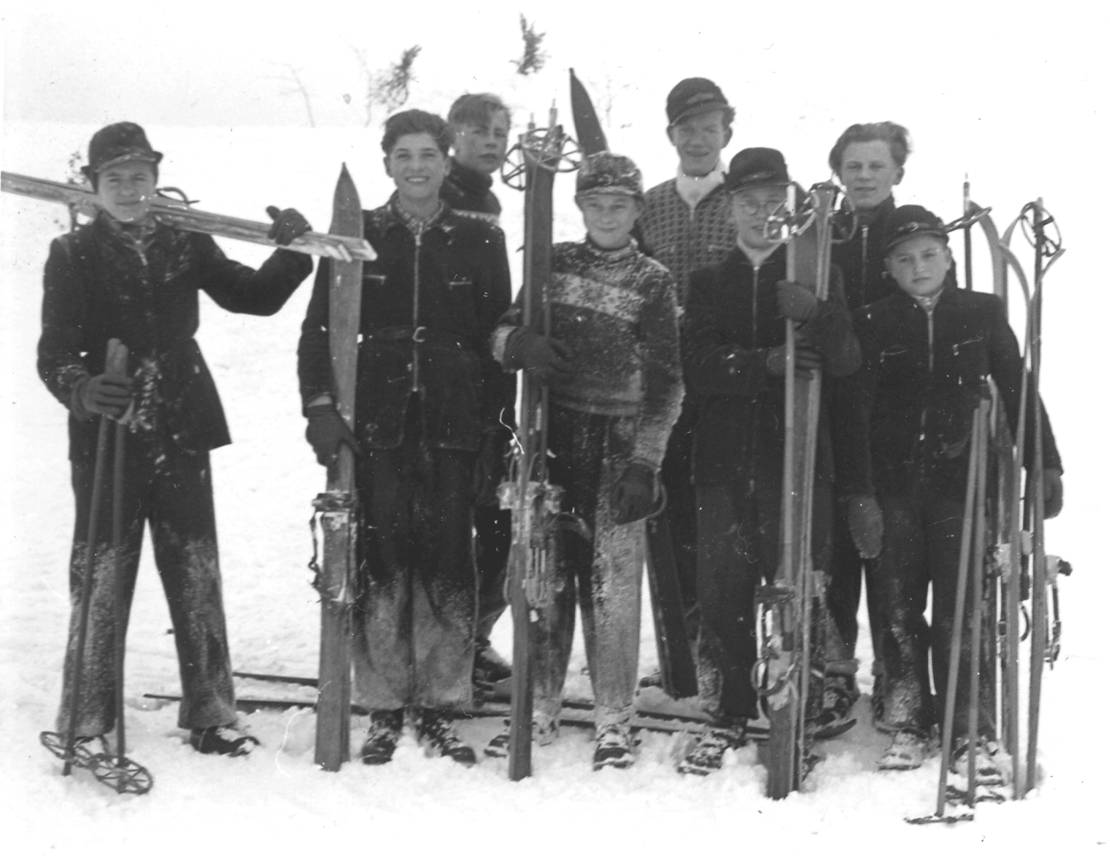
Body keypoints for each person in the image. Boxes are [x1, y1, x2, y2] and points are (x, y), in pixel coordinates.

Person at [38, 121, 314, 758]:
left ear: (157, 179)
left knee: (194, 570)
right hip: (109, 428)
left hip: (182, 422)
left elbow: (252, 297)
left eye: (139, 176)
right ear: (93, 185)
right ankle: (84, 721)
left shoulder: (184, 239)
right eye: (114, 178)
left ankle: (212, 715)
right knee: (102, 574)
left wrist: (292, 250)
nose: (128, 189)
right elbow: (54, 353)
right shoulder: (72, 253)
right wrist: (82, 388)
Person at [297, 109, 511, 767]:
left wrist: (497, 430)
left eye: (428, 155)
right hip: (378, 418)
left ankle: (443, 699)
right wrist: (321, 408)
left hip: (454, 416)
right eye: (403, 156)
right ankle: (385, 701)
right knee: (383, 553)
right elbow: (318, 330)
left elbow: (496, 341)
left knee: (448, 555)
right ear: (387, 163)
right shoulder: (360, 235)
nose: (416, 167)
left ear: (447, 162)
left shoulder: (479, 237)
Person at [835, 205, 1064, 774]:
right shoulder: (872, 320)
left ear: (948, 257)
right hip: (893, 485)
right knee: (897, 604)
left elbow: (1016, 386)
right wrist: (858, 491)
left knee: (964, 605)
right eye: (905, 259)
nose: (919, 267)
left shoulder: (980, 313)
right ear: (888, 268)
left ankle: (969, 727)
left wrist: (1045, 464)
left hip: (962, 484)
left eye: (929, 255)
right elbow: (853, 414)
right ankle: (908, 718)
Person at [484, 152, 683, 770]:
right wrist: (519, 343)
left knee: (612, 584)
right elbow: (500, 334)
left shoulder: (652, 281)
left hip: (618, 442)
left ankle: (614, 718)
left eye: (618, 205)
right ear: (579, 207)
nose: (607, 215)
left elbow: (667, 382)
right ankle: (538, 705)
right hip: (554, 436)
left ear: (637, 210)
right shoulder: (554, 264)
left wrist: (645, 463)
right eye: (595, 204)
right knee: (546, 575)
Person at [679, 148, 861, 775]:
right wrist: (763, 364)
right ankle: (727, 713)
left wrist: (817, 312)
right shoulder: (708, 282)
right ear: (730, 208)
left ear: (790, 206)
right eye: (749, 202)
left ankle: (797, 714)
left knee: (800, 585)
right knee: (723, 591)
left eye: (773, 202)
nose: (763, 214)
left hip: (798, 456)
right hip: (724, 459)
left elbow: (845, 361)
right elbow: (697, 366)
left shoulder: (816, 273)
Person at [635, 77, 738, 690]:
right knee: (669, 516)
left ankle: (724, 649)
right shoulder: (648, 205)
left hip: (727, 383)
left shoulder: (748, 199)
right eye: (686, 128)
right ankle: (682, 647)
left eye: (709, 127)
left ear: (727, 131)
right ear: (671, 134)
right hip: (663, 383)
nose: (698, 139)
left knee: (722, 517)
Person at [821, 121, 913, 734]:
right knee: (832, 545)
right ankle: (833, 673)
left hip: (894, 413)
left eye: (876, 165)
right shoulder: (823, 233)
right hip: (831, 410)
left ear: (896, 172)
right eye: (853, 166)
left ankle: (894, 673)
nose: (864, 176)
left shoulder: (913, 232)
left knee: (888, 547)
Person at [442, 92, 516, 690]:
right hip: (445, 385)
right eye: (479, 132)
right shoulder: (440, 197)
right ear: (454, 136)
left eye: (500, 133)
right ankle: (445, 642)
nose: (492, 142)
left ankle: (474, 636)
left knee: (499, 521)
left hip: (485, 383)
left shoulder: (486, 201)